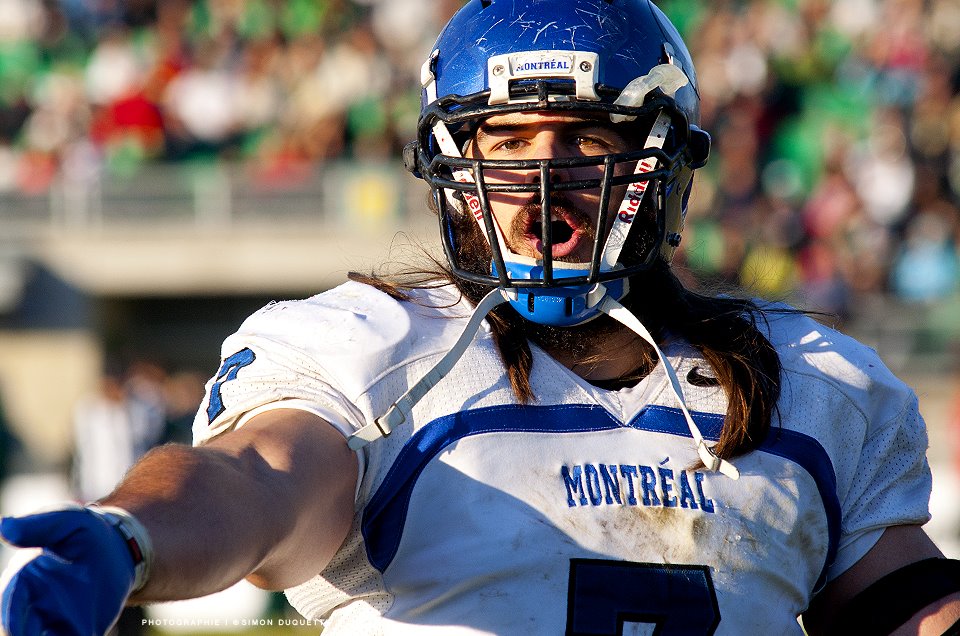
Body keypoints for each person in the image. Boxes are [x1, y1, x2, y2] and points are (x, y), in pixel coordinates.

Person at [2, 1, 960, 634]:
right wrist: (135, 535)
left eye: (587, 140)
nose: (545, 182)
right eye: (507, 142)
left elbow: (907, 602)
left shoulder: (809, 385)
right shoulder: (375, 349)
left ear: (665, 168)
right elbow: (251, 479)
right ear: (453, 169)